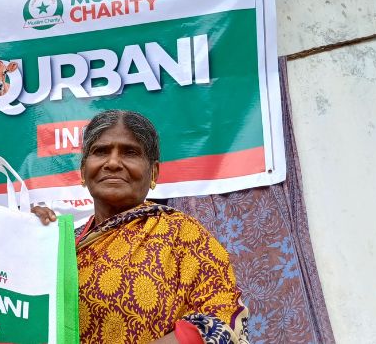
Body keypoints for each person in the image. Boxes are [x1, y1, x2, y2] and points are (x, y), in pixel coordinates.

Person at [35, 110, 249, 344]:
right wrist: (27, 236)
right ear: (83, 171)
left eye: (130, 152)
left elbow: (223, 316)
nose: (113, 163)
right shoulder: (63, 244)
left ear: (154, 171)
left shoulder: (182, 234)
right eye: (101, 151)